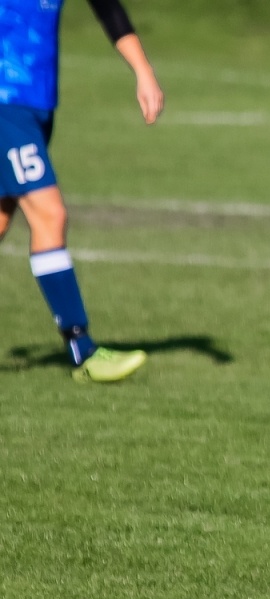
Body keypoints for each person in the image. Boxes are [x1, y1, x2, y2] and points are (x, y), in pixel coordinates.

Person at [1, 0, 162, 383]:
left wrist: (143, 71)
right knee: (49, 214)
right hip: (5, 103)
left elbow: (106, 7)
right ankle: (82, 349)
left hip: (38, 103)